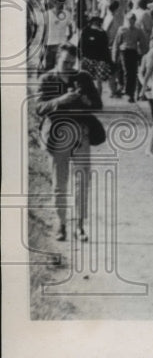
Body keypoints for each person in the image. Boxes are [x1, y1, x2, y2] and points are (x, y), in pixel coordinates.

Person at [37, 44, 103, 241]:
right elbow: (39, 108)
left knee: (82, 181)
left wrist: (86, 100)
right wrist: (62, 100)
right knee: (60, 183)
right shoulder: (47, 79)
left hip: (80, 134)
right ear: (57, 58)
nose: (68, 66)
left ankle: (80, 226)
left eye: (71, 63)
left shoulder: (82, 77)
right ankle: (61, 224)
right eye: (65, 62)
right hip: (58, 135)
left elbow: (98, 105)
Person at [112, 11, 148, 102]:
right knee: (127, 72)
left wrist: (144, 54)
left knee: (133, 72)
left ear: (135, 20)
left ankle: (131, 93)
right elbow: (117, 43)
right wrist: (114, 55)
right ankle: (127, 92)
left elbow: (143, 42)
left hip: (133, 52)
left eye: (132, 20)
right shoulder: (122, 29)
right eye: (129, 20)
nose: (131, 21)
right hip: (124, 51)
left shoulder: (138, 30)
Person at [77, 14, 113, 95]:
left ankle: (97, 99)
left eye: (98, 21)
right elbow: (80, 46)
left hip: (97, 60)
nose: (96, 23)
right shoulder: (86, 31)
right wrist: (80, 58)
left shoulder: (102, 33)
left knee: (97, 82)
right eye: (95, 21)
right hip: (88, 59)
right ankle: (87, 98)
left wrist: (107, 61)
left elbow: (105, 48)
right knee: (87, 81)